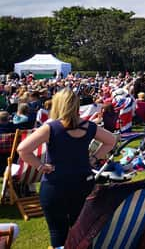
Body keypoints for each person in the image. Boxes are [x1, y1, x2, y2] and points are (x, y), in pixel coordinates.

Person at [17, 88, 116, 247]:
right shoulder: (89, 126)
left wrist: (41, 166)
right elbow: (111, 141)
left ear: (57, 105)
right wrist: (94, 158)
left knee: (58, 233)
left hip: (55, 185)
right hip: (83, 183)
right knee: (82, 231)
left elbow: (22, 149)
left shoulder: (51, 128)